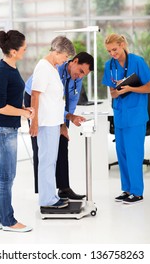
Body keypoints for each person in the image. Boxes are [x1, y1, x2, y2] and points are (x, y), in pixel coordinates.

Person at [25, 52, 94, 199]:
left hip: (58, 107)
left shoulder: (77, 80)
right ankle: (44, 192)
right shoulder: (55, 69)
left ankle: (63, 188)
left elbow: (71, 103)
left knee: (62, 142)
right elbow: (49, 100)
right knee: (41, 146)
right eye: (81, 71)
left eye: (84, 75)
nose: (80, 76)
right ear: (74, 61)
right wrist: (66, 117)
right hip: (35, 99)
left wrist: (65, 124)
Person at [0, 30, 34, 232]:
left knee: (1, 176)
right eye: (23, 48)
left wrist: (25, 109)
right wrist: (24, 113)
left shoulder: (10, 67)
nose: (26, 50)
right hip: (3, 129)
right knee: (7, 177)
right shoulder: (3, 71)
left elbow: (12, 99)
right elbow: (0, 106)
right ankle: (8, 221)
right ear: (14, 51)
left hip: (6, 128)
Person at [102, 33, 150, 204]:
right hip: (120, 114)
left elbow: (148, 88)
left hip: (136, 115)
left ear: (122, 44)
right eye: (109, 51)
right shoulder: (109, 65)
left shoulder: (137, 61)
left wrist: (129, 88)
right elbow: (112, 92)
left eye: (115, 49)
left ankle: (137, 192)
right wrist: (117, 91)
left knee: (134, 153)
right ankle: (127, 190)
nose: (112, 54)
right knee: (122, 153)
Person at [29, 36, 76, 209]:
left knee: (50, 161)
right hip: (45, 122)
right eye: (65, 57)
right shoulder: (43, 67)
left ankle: (50, 196)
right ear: (57, 52)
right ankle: (47, 200)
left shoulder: (51, 68)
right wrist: (34, 122)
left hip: (52, 123)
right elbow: (35, 94)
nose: (65, 61)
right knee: (47, 161)